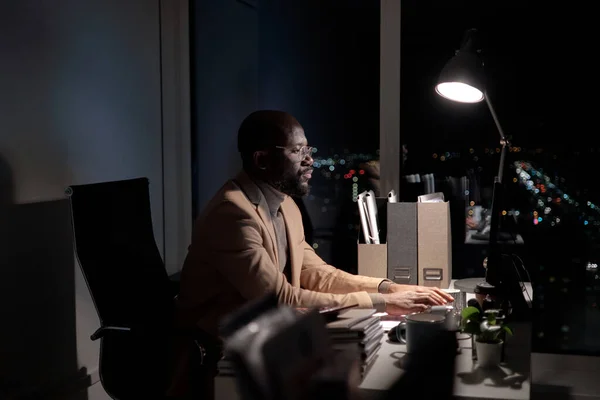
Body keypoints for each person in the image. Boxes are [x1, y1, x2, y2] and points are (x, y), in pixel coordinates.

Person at [169, 110, 453, 396]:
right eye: (296, 151)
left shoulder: (286, 204)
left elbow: (315, 272)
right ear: (261, 160)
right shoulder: (232, 213)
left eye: (307, 149)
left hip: (268, 345)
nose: (309, 160)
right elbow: (281, 300)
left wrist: (388, 287)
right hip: (215, 365)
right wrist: (383, 302)